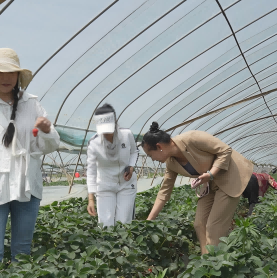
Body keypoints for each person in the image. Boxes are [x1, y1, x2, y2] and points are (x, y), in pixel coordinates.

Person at [0, 48, 60, 267]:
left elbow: (50, 145)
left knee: (22, 252)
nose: (5, 78)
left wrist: (46, 130)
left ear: (18, 76)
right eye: (0, 72)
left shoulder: (32, 104)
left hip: (26, 184)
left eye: (11, 73)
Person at [141, 122, 253, 254]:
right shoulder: (171, 163)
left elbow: (225, 150)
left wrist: (211, 173)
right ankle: (206, 258)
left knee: (214, 227)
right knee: (199, 223)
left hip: (230, 177)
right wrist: (149, 221)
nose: (152, 159)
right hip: (209, 183)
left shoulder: (192, 138)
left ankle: (215, 260)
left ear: (159, 146)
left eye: (150, 155)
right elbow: (164, 192)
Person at [86, 104, 139, 227]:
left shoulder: (126, 135)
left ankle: (123, 239)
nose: (106, 133)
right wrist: (90, 199)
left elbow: (134, 152)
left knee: (124, 222)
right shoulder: (94, 143)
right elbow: (91, 171)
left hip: (126, 184)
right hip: (105, 185)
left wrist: (131, 167)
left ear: (115, 123)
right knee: (105, 223)